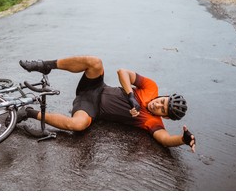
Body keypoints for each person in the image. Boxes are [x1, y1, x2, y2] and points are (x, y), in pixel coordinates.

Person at [18, 55, 196, 152]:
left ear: (164, 116)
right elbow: (122, 72)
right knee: (95, 62)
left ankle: (28, 113)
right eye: (162, 102)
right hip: (96, 86)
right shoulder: (151, 87)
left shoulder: (153, 122)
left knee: (78, 125)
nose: (158, 105)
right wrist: (130, 96)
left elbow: (165, 140)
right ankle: (45, 65)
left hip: (90, 108)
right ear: (163, 96)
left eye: (162, 110)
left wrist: (182, 140)